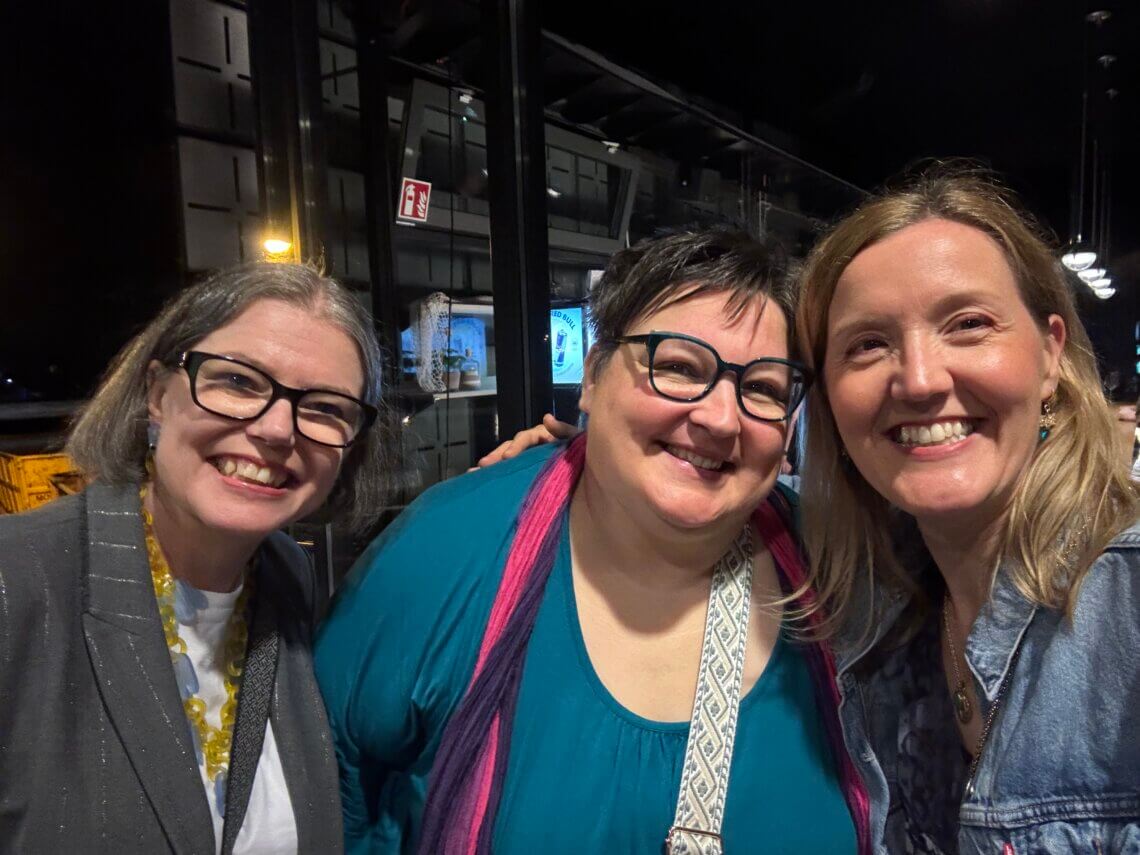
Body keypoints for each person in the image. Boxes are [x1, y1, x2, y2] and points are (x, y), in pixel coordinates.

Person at [315, 229, 869, 853]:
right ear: (593, 376)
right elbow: (325, 790)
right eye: (679, 366)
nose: (719, 418)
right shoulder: (444, 554)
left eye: (763, 388)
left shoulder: (836, 574)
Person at [795, 170, 1140, 853]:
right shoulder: (869, 597)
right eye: (867, 343)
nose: (920, 379)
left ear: (1049, 353)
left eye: (968, 324)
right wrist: (565, 473)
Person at [0, 263, 391, 854]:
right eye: (238, 382)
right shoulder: (18, 582)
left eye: (325, 408)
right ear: (158, 396)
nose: (278, 429)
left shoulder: (287, 578)